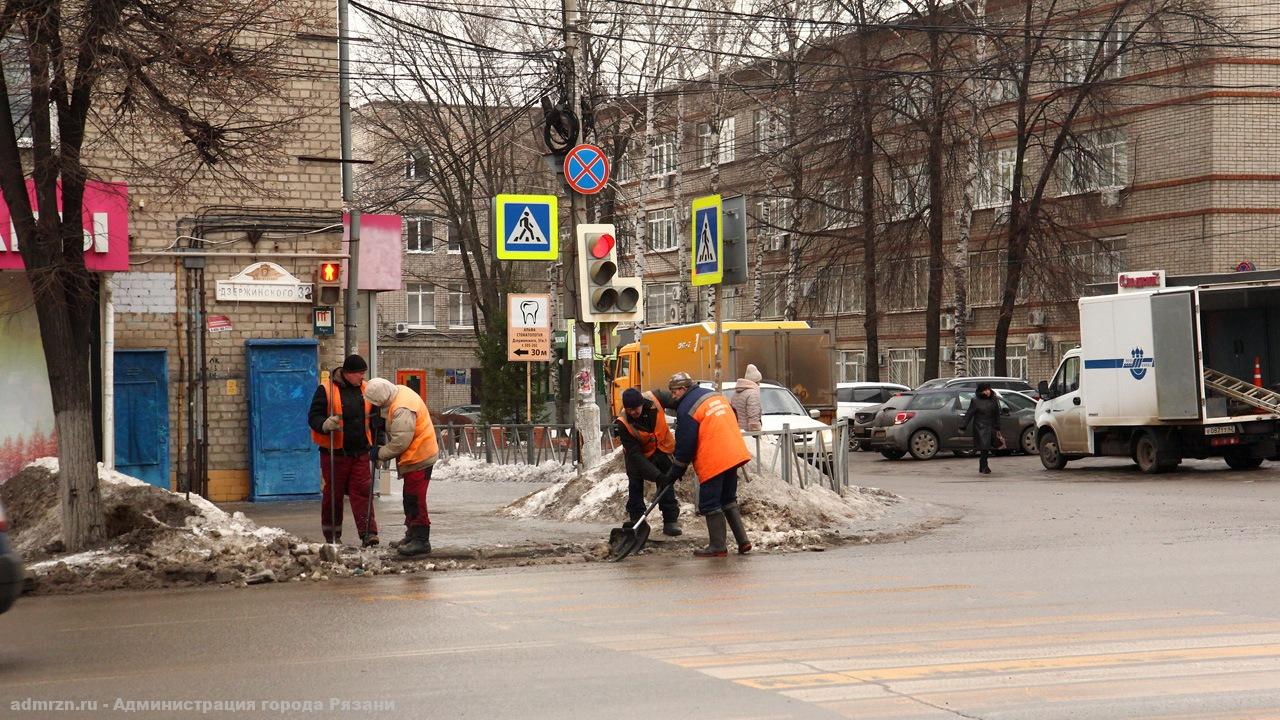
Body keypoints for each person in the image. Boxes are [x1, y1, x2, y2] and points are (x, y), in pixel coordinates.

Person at [662, 372, 753, 557]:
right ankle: (743, 541)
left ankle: (718, 546)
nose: (673, 396)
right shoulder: (713, 395)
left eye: (674, 392)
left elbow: (686, 443)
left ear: (683, 389)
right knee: (728, 498)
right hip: (733, 452)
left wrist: (676, 469)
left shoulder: (687, 407)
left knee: (710, 502)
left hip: (714, 457)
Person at [307, 354, 380, 547]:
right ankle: (332, 536)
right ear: (347, 373)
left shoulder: (366, 390)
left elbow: (375, 420)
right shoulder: (327, 390)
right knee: (333, 496)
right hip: (334, 454)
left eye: (364, 373)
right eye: (359, 373)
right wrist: (324, 424)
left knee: (363, 493)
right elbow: (313, 416)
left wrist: (378, 445)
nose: (362, 377)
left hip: (360, 452)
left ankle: (368, 534)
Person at [363, 378, 439, 557]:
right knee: (409, 498)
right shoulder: (399, 392)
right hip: (417, 454)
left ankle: (421, 540)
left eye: (377, 402)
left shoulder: (402, 408)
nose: (376, 406)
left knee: (415, 499)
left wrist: (379, 453)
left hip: (419, 456)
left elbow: (399, 443)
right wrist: (383, 422)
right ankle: (412, 535)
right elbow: (399, 428)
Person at [613, 388, 681, 537]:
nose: (633, 413)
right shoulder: (623, 423)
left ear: (642, 403)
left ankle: (670, 521)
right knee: (635, 485)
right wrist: (656, 476)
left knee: (666, 483)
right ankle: (637, 521)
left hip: (663, 448)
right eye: (629, 410)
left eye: (636, 409)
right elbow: (635, 456)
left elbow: (679, 401)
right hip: (638, 455)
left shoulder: (656, 398)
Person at [960, 383, 1001, 474]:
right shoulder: (975, 401)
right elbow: (969, 414)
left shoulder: (994, 400)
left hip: (991, 426)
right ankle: (984, 466)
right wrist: (963, 426)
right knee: (984, 447)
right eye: (985, 390)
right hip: (980, 427)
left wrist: (998, 426)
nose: (988, 392)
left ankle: (982, 466)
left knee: (988, 447)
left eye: (988, 389)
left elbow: (997, 414)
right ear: (981, 391)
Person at [730, 364, 763, 432]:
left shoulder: (736, 392)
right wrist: (755, 432)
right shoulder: (752, 394)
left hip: (738, 431)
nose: (759, 384)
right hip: (748, 433)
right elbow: (753, 416)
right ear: (754, 381)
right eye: (758, 381)